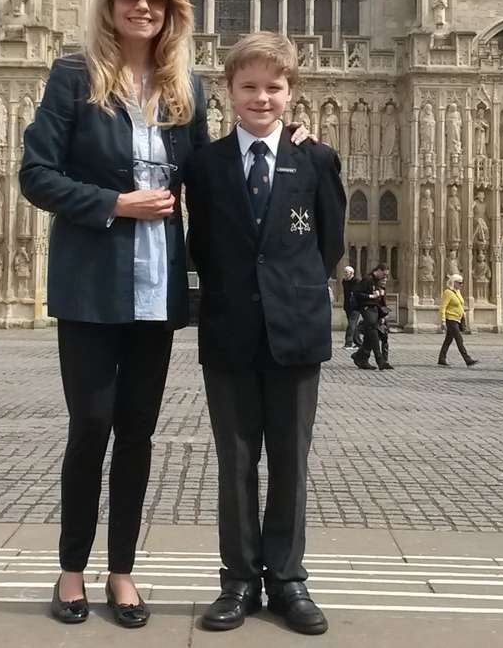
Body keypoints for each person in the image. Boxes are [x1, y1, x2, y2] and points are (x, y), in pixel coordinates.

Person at [19, 0, 210, 629]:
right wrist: (115, 203)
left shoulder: (189, 90)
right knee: (90, 426)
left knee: (137, 433)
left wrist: (290, 143)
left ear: (170, 10)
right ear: (109, 2)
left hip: (156, 293)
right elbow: (35, 174)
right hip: (93, 286)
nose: (141, 6)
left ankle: (121, 571)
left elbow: (209, 181)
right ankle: (71, 568)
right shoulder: (73, 77)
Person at [186, 32, 346, 635]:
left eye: (273, 87)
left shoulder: (317, 160)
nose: (261, 97)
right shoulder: (204, 164)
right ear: (228, 91)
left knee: (289, 461)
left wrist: (293, 291)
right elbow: (199, 243)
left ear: (291, 92)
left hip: (294, 331)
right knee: (235, 461)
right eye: (248, 86)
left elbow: (329, 243)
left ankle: (287, 579)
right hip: (229, 332)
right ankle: (237, 581)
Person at [352, 263, 393, 370]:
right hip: (367, 308)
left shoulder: (377, 281)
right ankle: (380, 360)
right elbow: (357, 293)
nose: (385, 277)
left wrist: (383, 313)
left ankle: (360, 357)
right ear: (378, 270)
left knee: (372, 334)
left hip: (375, 309)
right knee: (373, 331)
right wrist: (371, 296)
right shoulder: (368, 279)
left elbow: (380, 299)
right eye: (384, 274)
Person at [437, 274, 478, 367]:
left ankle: (441, 358)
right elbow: (443, 307)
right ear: (454, 282)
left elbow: (460, 304)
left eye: (462, 283)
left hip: (457, 319)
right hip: (450, 318)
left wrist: (463, 312)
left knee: (448, 340)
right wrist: (443, 320)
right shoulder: (448, 292)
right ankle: (468, 360)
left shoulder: (457, 292)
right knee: (459, 339)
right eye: (459, 283)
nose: (461, 285)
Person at [342, 265, 360, 349]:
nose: (345, 274)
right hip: (347, 306)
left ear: (352, 273)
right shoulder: (344, 281)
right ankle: (359, 343)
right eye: (344, 272)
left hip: (355, 307)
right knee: (353, 325)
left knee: (351, 324)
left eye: (346, 272)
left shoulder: (356, 281)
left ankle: (348, 343)